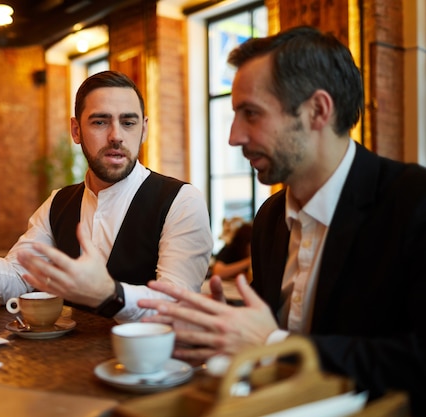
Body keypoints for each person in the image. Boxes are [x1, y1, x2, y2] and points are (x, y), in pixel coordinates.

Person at [138, 26, 426, 413]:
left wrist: (271, 344)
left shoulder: (412, 202)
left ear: (318, 111)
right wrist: (218, 327)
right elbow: (271, 323)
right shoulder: (271, 217)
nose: (234, 136)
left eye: (251, 113)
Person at [0, 70, 213, 322]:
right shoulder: (59, 202)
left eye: (128, 122)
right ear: (76, 130)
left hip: (149, 374)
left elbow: (178, 306)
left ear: (144, 128)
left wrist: (110, 294)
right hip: (69, 366)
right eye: (100, 122)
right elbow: (20, 279)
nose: (116, 136)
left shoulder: (181, 201)